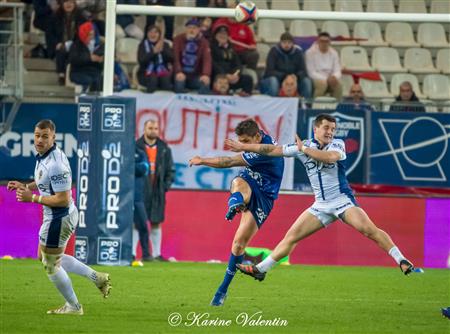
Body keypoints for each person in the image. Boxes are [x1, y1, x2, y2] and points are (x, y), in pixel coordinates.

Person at [224, 114, 416, 282]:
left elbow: (329, 157)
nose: (330, 132)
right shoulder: (304, 145)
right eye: (326, 127)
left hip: (342, 201)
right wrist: (244, 146)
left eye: (332, 129)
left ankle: (402, 260)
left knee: (369, 230)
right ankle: (260, 270)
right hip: (320, 206)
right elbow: (273, 150)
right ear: (316, 128)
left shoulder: (337, 144)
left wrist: (304, 150)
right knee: (291, 238)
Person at [7, 119, 111, 315]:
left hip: (59, 217)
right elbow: (44, 182)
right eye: (37, 135)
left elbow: (63, 199)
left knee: (50, 264)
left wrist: (33, 198)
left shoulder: (56, 164)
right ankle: (97, 278)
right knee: (46, 257)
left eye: (45, 136)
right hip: (55, 216)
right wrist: (25, 186)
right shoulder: (45, 157)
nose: (39, 140)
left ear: (53, 138)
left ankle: (74, 306)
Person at [189, 119, 284, 306]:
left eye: (246, 142)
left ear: (257, 137)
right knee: (239, 182)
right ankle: (236, 202)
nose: (243, 146)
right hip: (250, 182)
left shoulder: (264, 151)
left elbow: (230, 161)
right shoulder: (257, 136)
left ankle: (224, 288)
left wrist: (203, 160)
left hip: (265, 198)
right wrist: (245, 145)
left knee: (239, 244)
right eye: (241, 141)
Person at [136, 119, 174, 261]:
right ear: (144, 129)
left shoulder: (164, 148)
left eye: (156, 128)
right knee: (137, 222)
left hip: (157, 191)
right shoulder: (135, 146)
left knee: (156, 221)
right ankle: (133, 254)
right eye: (150, 128)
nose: (153, 130)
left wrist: (165, 186)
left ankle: (157, 254)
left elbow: (171, 169)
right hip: (140, 191)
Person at [260, 32, 312, 99]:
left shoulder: (298, 52)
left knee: (306, 81)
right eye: (284, 42)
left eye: (289, 42)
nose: (287, 45)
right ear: (280, 43)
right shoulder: (273, 51)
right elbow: (269, 71)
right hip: (277, 79)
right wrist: (285, 76)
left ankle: (305, 106)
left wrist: (295, 76)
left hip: (294, 79)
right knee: (273, 81)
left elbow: (303, 71)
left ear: (292, 43)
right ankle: (274, 106)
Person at [46, 0, 86, 85]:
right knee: (61, 51)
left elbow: (84, 34)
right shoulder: (55, 17)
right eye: (66, 2)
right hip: (60, 44)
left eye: (71, 2)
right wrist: (56, 43)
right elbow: (50, 34)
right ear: (62, 4)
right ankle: (61, 75)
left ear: (74, 4)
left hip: (76, 44)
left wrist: (75, 44)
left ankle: (72, 76)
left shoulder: (81, 18)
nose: (68, 4)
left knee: (73, 51)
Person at [210, 24, 253, 96]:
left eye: (225, 34)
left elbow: (238, 64)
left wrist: (236, 75)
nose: (223, 36)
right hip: (217, 76)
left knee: (248, 79)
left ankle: (244, 98)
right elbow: (212, 63)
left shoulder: (231, 48)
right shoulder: (211, 47)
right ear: (215, 35)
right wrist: (225, 75)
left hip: (231, 78)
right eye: (220, 33)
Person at [173, 18, 211, 94]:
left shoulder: (204, 42)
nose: (192, 30)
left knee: (205, 83)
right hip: (181, 73)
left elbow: (207, 59)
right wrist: (178, 71)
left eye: (194, 28)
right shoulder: (178, 39)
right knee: (179, 83)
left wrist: (205, 74)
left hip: (195, 75)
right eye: (189, 27)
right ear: (186, 29)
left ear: (199, 30)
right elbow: (175, 57)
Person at [68, 21, 104, 92]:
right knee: (89, 80)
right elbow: (74, 60)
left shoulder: (100, 45)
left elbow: (102, 64)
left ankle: (97, 100)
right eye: (89, 35)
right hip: (78, 72)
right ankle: (85, 99)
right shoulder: (76, 45)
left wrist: (101, 60)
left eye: (93, 34)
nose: (92, 37)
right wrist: (89, 58)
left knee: (100, 79)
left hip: (94, 71)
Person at [305, 32, 342, 100]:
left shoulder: (334, 53)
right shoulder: (310, 52)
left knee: (338, 85)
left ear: (329, 42)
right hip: (316, 78)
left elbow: (337, 70)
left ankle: (337, 107)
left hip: (330, 78)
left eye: (326, 41)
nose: (324, 43)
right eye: (322, 41)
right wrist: (326, 79)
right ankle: (315, 107)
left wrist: (334, 77)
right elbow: (311, 72)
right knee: (322, 84)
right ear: (318, 41)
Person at [137, 25, 173, 93]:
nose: (152, 34)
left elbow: (171, 59)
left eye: (155, 32)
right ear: (147, 34)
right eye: (150, 32)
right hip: (145, 73)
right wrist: (153, 52)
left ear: (159, 35)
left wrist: (163, 51)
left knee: (166, 80)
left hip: (162, 71)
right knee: (153, 79)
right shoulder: (142, 45)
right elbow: (141, 61)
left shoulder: (165, 44)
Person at [132, 147, 152, 261]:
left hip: (137, 197)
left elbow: (144, 169)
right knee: (123, 226)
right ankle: (129, 253)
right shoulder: (120, 149)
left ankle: (146, 254)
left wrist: (129, 165)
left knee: (143, 226)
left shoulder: (139, 152)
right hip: (121, 196)